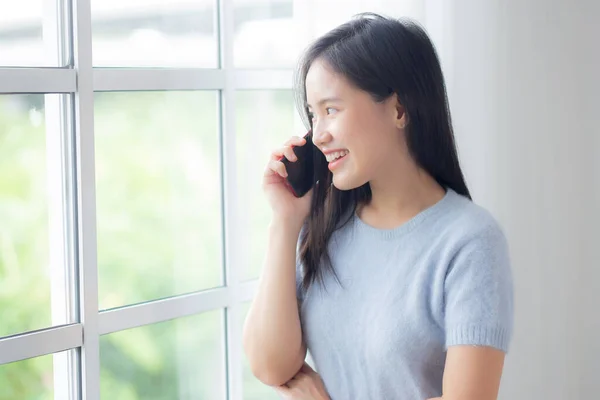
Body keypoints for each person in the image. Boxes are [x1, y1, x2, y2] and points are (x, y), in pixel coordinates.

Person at [243, 12, 514, 400]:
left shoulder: (470, 243)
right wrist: (284, 223)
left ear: (399, 109)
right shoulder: (325, 227)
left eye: (331, 109)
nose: (318, 135)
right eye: (312, 114)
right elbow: (271, 365)